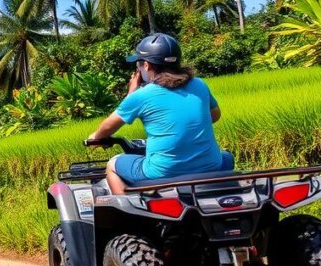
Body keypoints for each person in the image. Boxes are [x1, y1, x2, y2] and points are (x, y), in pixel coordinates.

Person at [87, 33, 233, 195]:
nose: (138, 69)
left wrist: (96, 138)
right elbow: (215, 115)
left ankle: (130, 211)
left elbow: (108, 127)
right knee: (226, 157)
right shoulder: (199, 85)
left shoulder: (141, 95)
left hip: (162, 172)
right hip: (211, 166)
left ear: (147, 65)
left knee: (113, 165)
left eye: (138, 65)